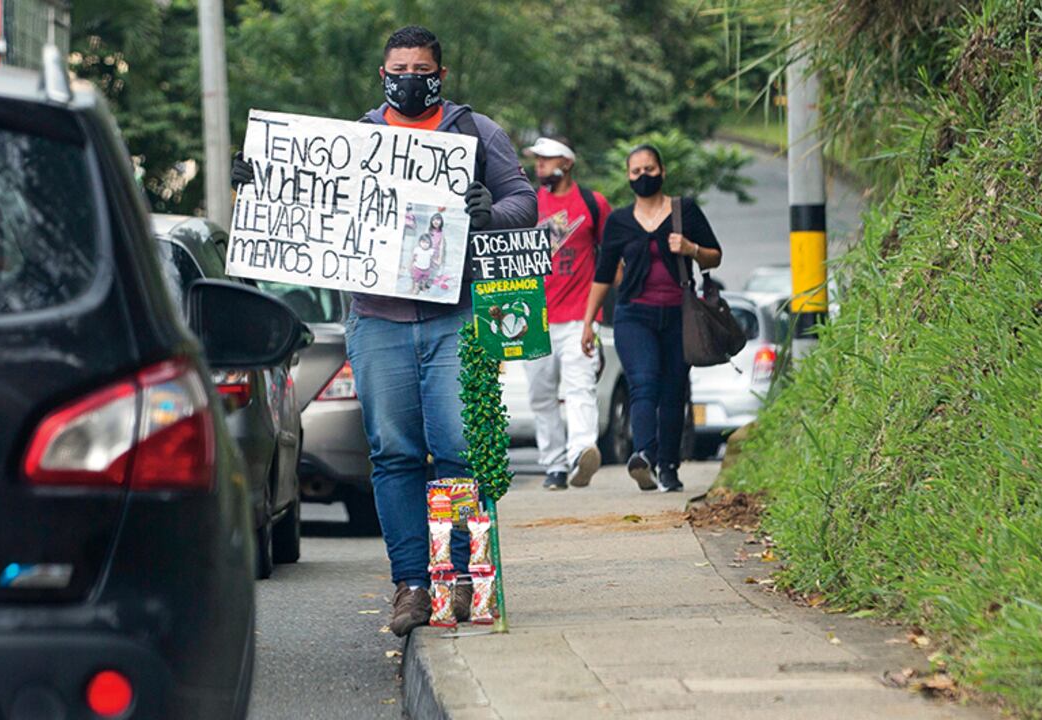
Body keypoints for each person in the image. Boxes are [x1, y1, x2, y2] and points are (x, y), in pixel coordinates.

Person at [233, 25, 536, 636]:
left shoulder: (476, 133)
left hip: (454, 318)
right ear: (383, 74)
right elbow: (310, 200)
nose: (409, 78)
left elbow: (523, 202)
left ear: (440, 76)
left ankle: (460, 580)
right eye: (398, 68)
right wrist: (259, 179)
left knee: (457, 451)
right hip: (377, 321)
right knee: (393, 455)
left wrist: (489, 212)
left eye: (421, 68)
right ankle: (412, 587)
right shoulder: (360, 139)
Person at [581, 145, 721, 493]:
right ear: (628, 177)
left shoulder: (683, 210)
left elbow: (714, 257)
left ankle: (669, 467)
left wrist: (691, 250)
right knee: (643, 383)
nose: (644, 176)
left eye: (649, 169)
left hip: (678, 314)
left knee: (673, 391)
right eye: (636, 172)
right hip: (634, 315)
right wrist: (588, 322)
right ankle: (643, 455)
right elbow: (602, 275)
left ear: (662, 171)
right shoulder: (619, 222)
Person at [522, 136, 612, 491]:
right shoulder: (528, 202)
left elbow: (611, 254)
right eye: (537, 160)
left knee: (579, 388)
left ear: (567, 162)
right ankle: (554, 465)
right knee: (540, 395)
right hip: (534, 318)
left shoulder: (592, 203)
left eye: (546, 159)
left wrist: (597, 313)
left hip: (579, 317)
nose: (539, 165)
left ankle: (580, 454)